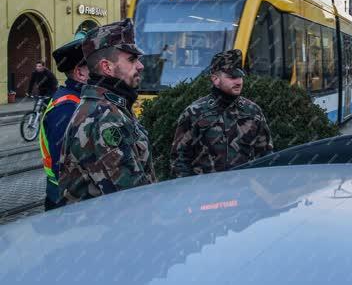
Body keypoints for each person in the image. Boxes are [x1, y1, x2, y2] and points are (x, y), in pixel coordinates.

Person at [58, 19, 156, 205]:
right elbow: (132, 200)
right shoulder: (105, 118)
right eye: (132, 59)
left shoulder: (109, 107)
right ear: (107, 67)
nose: (140, 66)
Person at [171, 49, 273, 178]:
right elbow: (179, 159)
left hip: (244, 191)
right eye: (232, 77)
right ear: (215, 79)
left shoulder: (252, 111)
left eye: (240, 76)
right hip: (206, 193)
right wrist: (191, 192)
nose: (239, 82)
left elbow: (265, 155)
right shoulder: (195, 112)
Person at [39, 35, 89, 210]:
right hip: (65, 200)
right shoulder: (67, 106)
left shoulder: (78, 99)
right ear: (80, 73)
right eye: (94, 65)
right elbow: (63, 163)